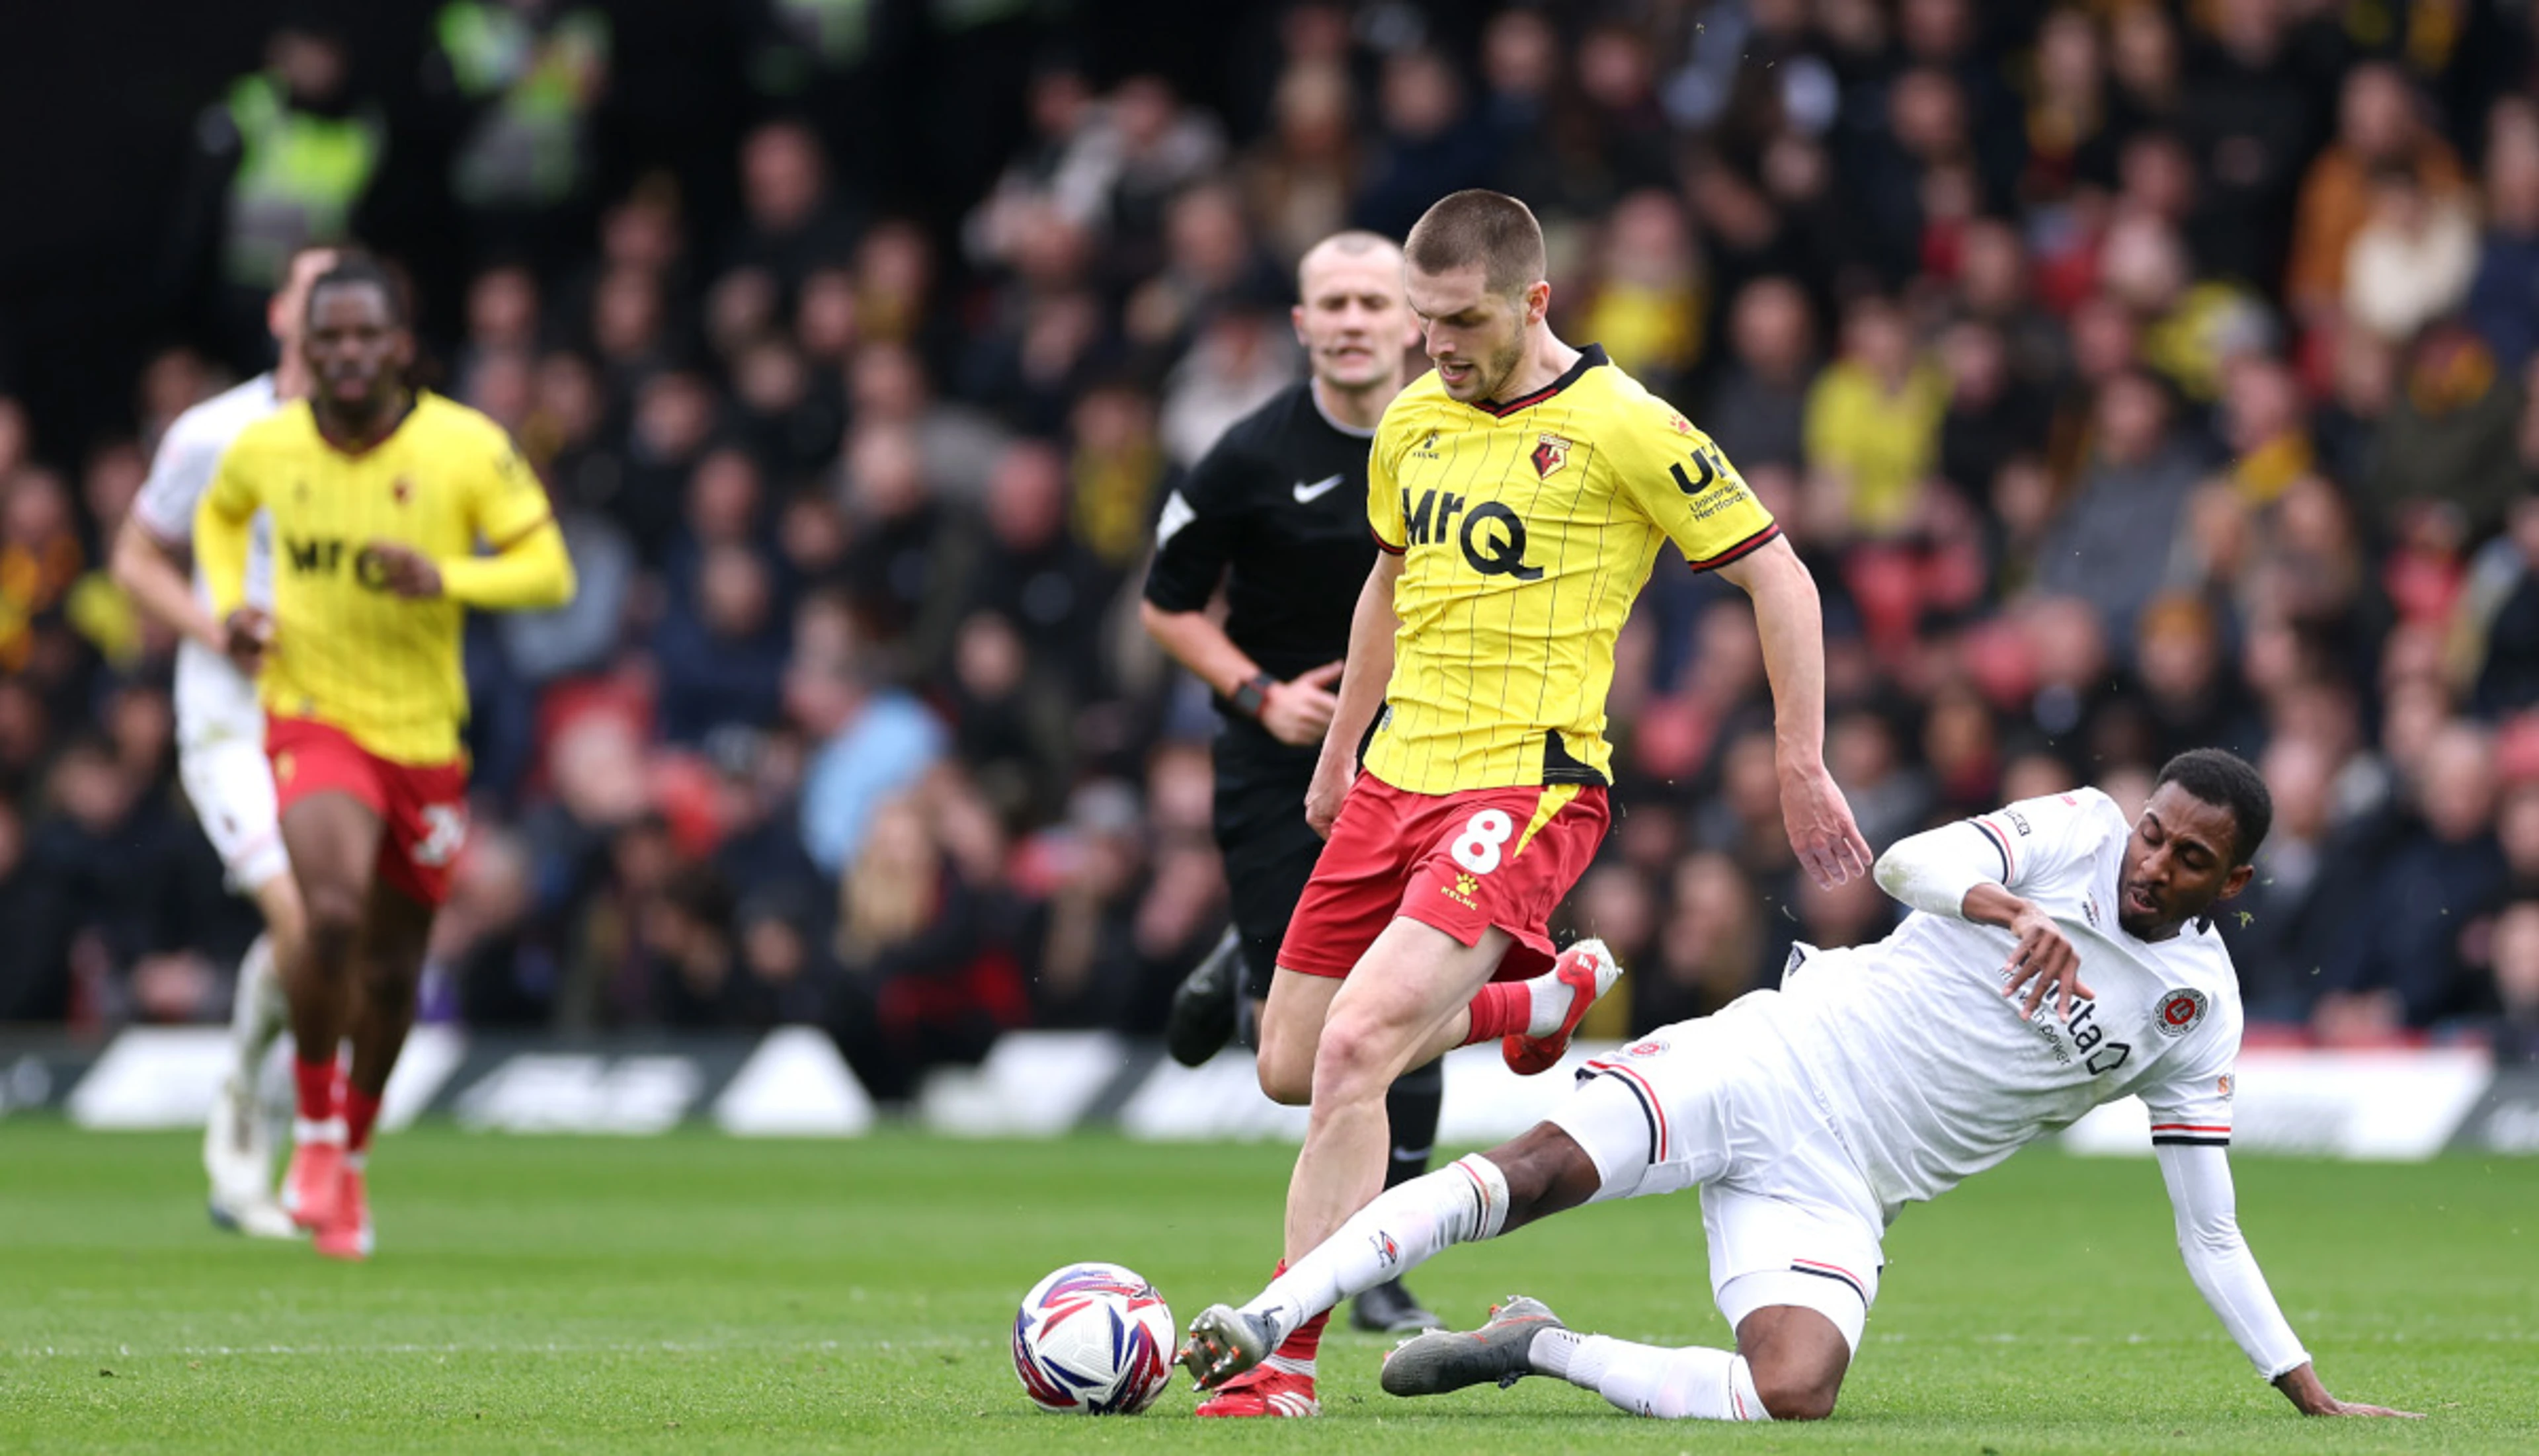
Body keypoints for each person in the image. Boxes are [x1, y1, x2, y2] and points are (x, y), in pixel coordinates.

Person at [1180, 189, 1872, 1418]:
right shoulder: (1413, 418)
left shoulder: (1624, 423)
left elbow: (1783, 577)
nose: (1437, 344)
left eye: (1462, 320)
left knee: (1356, 1050)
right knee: (1291, 1061)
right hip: (1396, 777)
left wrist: (1798, 757)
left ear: (1535, 300)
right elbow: (1389, 582)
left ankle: (1281, 1356)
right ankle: (1535, 999)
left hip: (1529, 782)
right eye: (1424, 319)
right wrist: (1340, 751)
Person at [1180, 750, 2421, 1426]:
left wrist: (2304, 1387)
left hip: (1845, 1184)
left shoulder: (2198, 1014)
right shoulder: (2080, 830)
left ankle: (1537, 1342)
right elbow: (1904, 862)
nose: (2152, 864)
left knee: (1793, 1395)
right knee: (1532, 1173)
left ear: (2233, 883)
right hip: (1776, 1057)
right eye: (2156, 832)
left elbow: (2210, 1226)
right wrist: (2008, 908)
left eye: (2190, 858)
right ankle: (1265, 1320)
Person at [196, 257, 577, 1259]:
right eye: (329, 338)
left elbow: (549, 570)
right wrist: (231, 609)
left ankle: (351, 1157)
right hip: (313, 714)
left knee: (396, 966)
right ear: (304, 348)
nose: (349, 354)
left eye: (368, 335)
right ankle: (315, 1131)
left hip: (423, 740)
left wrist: (445, 576)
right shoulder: (267, 447)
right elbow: (219, 516)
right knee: (328, 915)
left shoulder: (465, 446)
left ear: (403, 345)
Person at [1140, 229, 1444, 1334]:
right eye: (1335, 303)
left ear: (1412, 323)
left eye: (1375, 301)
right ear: (1303, 325)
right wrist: (1260, 693)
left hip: (1424, 757)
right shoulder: (1247, 455)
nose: (1355, 320)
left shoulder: (1462, 439)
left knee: (1406, 993)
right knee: (1293, 1063)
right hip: (1280, 765)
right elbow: (1166, 604)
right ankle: (1248, 959)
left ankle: (1384, 1262)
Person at [112, 243, 343, 1239]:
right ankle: (252, 1115)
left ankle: (251, 1086)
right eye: (316, 296)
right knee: (304, 915)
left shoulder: (394, 444)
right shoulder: (210, 433)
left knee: (330, 932)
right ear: (281, 316)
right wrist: (216, 631)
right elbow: (134, 556)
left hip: (338, 716)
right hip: (231, 718)